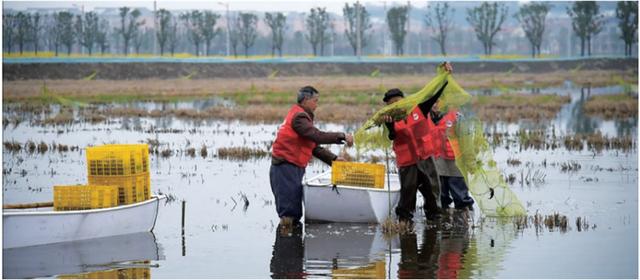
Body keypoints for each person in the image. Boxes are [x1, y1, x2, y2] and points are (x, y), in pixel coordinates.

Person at [270, 86, 354, 226]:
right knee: (289, 213)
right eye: (315, 101)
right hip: (285, 167)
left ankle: (293, 245)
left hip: (291, 167)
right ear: (305, 100)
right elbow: (316, 136)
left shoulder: (300, 115)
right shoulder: (299, 117)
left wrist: (333, 159)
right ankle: (286, 243)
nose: (317, 104)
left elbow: (312, 145)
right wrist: (342, 136)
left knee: (294, 211)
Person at [383, 62, 453, 223]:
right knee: (408, 193)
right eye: (390, 103)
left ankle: (434, 218)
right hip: (407, 162)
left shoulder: (419, 109)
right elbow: (392, 136)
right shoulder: (389, 118)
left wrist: (444, 77)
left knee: (432, 190)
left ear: (404, 100)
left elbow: (433, 95)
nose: (394, 105)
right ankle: (404, 220)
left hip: (425, 158)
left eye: (396, 101)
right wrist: (389, 125)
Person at [430, 99, 475, 211]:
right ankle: (443, 225)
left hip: (456, 164)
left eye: (438, 102)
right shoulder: (427, 118)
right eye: (433, 102)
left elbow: (466, 141)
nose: (436, 105)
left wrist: (470, 161)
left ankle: (464, 223)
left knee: (461, 199)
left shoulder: (457, 117)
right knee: (441, 200)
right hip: (437, 164)